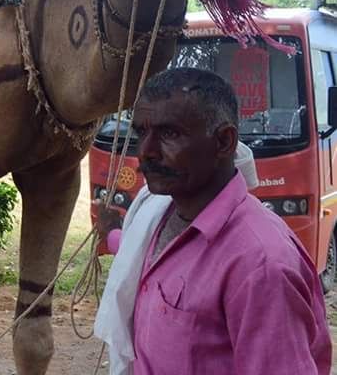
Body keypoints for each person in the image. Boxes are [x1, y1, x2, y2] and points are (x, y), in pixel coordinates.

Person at [95, 68, 330, 375]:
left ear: (224, 142)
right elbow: (149, 258)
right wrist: (112, 232)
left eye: (170, 134)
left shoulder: (260, 265)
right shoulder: (160, 215)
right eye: (141, 133)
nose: (146, 152)